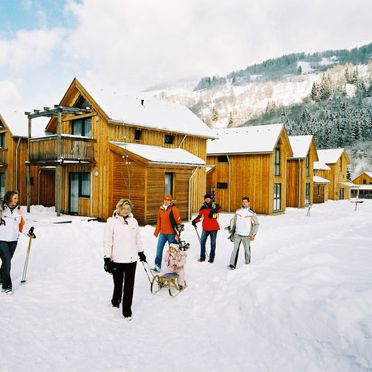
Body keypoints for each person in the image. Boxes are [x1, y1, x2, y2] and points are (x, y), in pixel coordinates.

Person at [103, 199, 146, 321]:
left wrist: (141, 252)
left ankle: (127, 310)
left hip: (131, 259)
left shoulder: (134, 222)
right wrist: (106, 259)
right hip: (116, 259)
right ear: (118, 208)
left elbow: (138, 238)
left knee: (129, 285)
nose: (125, 211)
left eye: (128, 209)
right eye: (123, 208)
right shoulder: (111, 222)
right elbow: (107, 242)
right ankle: (116, 299)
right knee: (118, 283)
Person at [0, 191, 27, 295]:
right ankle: (7, 286)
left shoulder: (19, 211)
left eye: (17, 198)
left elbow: (21, 226)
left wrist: (28, 233)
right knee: (7, 261)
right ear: (9, 198)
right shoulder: (2, 209)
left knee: (6, 262)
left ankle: (1, 277)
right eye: (15, 198)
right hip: (1, 239)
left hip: (13, 240)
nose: (17, 200)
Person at [153, 194, 182, 273]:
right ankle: (157, 265)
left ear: (170, 201)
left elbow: (178, 222)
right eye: (165, 200)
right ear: (164, 200)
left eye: (168, 200)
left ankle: (172, 267)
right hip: (162, 233)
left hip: (171, 234)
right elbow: (159, 221)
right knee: (159, 249)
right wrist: (156, 232)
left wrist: (178, 234)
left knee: (172, 252)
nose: (166, 201)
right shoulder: (161, 209)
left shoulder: (174, 209)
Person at [228, 196, 259, 270]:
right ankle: (232, 264)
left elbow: (256, 224)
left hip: (247, 235)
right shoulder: (238, 211)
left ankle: (247, 263)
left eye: (246, 202)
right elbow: (234, 222)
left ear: (248, 203)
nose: (244, 203)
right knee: (235, 249)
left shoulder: (252, 213)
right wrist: (232, 231)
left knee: (247, 250)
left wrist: (253, 234)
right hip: (238, 234)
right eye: (243, 201)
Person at [192, 193, 222, 263]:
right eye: (206, 198)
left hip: (214, 228)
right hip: (205, 228)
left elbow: (220, 208)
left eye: (209, 198)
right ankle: (202, 257)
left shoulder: (214, 205)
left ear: (210, 199)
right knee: (202, 242)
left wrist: (213, 211)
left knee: (213, 243)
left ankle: (211, 258)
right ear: (205, 199)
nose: (207, 199)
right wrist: (194, 221)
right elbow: (199, 217)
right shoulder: (202, 207)